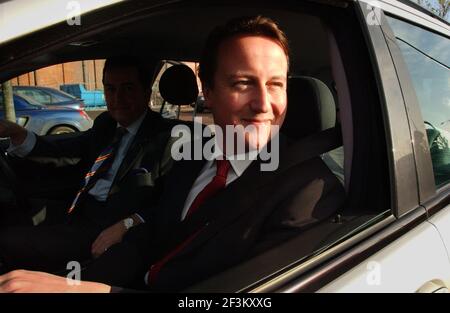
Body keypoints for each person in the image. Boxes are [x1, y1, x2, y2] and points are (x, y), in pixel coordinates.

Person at [0, 15, 345, 293]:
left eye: (275, 84)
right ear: (207, 92)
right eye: (243, 83)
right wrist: (80, 277)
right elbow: (159, 230)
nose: (264, 104)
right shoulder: (197, 155)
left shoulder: (310, 193)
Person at [0, 56, 174, 274]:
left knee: (7, 241)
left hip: (109, 230)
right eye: (110, 89)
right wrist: (17, 133)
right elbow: (66, 152)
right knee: (11, 216)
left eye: (128, 88)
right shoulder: (106, 124)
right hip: (77, 210)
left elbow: (174, 203)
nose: (118, 98)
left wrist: (129, 223)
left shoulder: (169, 138)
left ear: (146, 92)